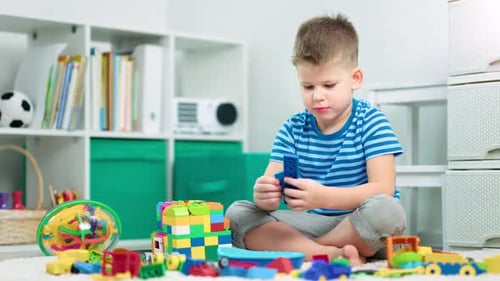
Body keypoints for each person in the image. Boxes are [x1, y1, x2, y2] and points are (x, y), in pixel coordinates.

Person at [225, 14, 407, 266]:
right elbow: (271, 189)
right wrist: (263, 195)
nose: (317, 96)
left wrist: (323, 197)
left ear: (355, 79)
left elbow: (382, 188)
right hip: (313, 223)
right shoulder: (292, 129)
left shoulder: (371, 121)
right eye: (308, 87)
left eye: (329, 85)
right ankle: (335, 255)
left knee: (388, 211)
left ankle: (312, 250)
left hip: (363, 224)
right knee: (236, 214)